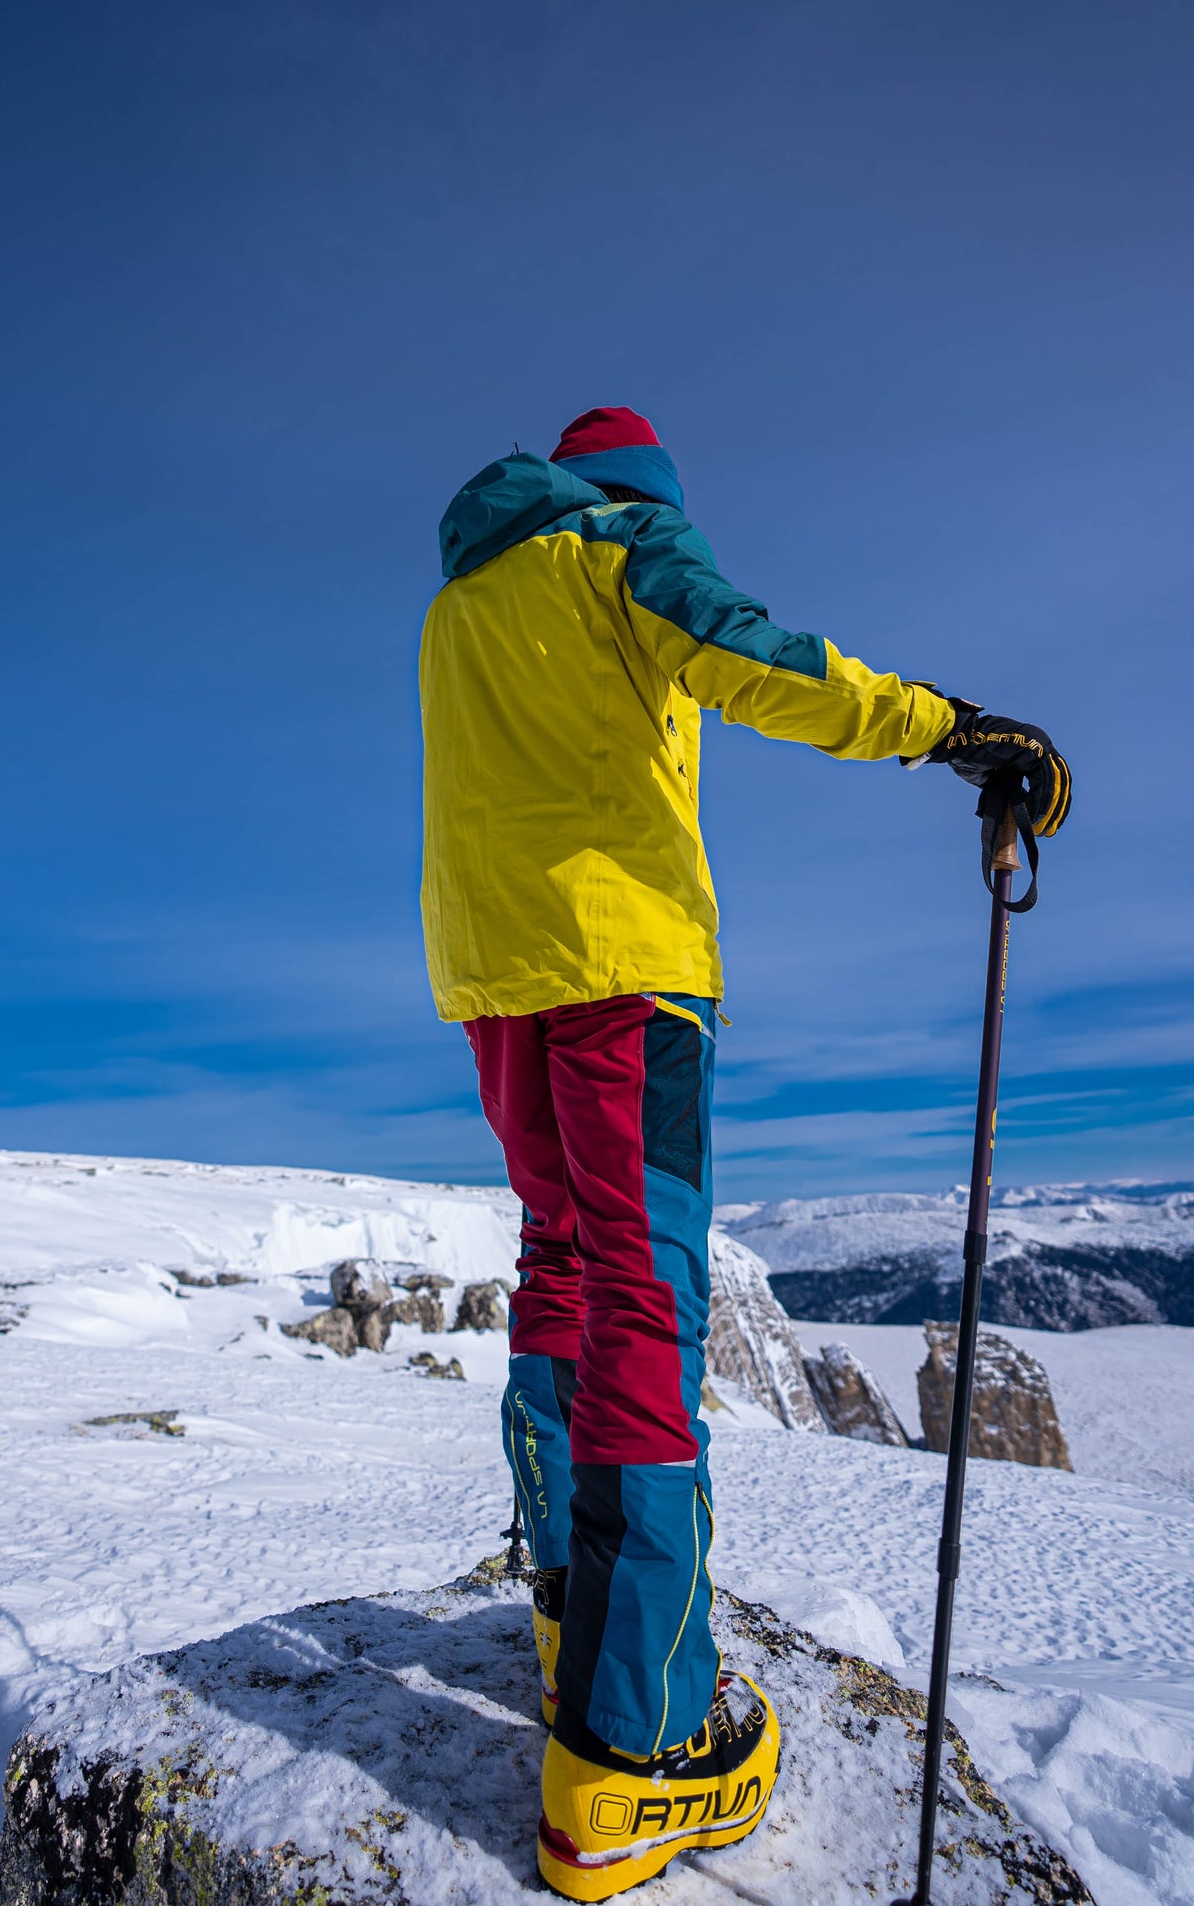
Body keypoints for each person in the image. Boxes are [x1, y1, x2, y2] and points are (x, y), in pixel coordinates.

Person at [418, 406, 1070, 1901]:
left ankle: (565, 1602)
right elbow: (749, 655)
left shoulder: (463, 594)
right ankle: (636, 1747)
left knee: (562, 1264)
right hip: (623, 973)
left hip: (495, 980)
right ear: (640, 492)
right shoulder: (625, 543)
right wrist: (947, 726)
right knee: (647, 1299)